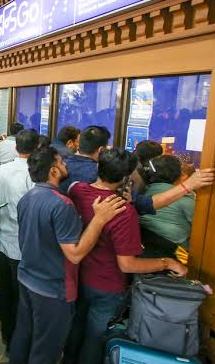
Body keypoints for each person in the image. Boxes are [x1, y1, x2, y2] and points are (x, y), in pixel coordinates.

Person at [64, 149, 188, 364]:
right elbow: (127, 264)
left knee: (77, 326)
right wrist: (167, 263)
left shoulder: (76, 190)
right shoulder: (123, 211)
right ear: (125, 177)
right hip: (108, 284)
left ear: (98, 167)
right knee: (95, 337)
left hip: (80, 275)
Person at [9, 147, 126, 364]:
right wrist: (99, 219)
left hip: (26, 278)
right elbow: (75, 254)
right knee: (46, 349)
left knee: (24, 335)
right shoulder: (62, 204)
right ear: (53, 171)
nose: (66, 165)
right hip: (51, 289)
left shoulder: (28, 197)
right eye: (62, 162)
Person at [62, 126, 214, 216]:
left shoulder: (62, 166)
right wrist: (189, 185)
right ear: (102, 150)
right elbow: (146, 204)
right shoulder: (103, 175)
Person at [0, 129, 38, 349]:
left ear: (16, 147)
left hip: (1, 240)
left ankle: (7, 335)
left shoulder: (0, 170)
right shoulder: (33, 175)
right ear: (37, 149)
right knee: (21, 298)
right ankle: (18, 343)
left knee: (5, 292)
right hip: (22, 245)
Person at [140, 155, 195, 255]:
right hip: (176, 252)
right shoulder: (185, 198)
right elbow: (202, 226)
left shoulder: (141, 192)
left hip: (144, 247)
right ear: (179, 174)